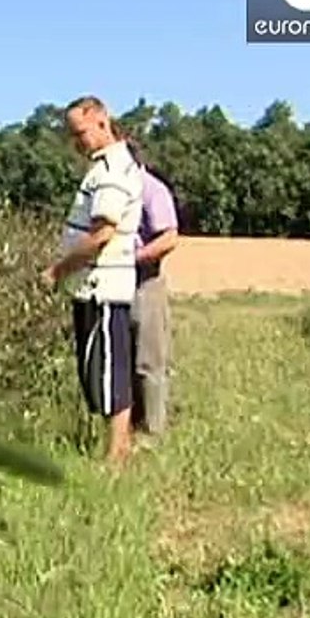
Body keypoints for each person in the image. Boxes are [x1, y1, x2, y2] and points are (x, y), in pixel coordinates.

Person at [44, 96, 144, 466]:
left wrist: (59, 270)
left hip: (103, 286)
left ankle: (117, 454)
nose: (77, 142)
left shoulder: (113, 169)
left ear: (102, 120)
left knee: (109, 372)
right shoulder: (102, 167)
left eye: (80, 132)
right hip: (92, 287)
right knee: (98, 370)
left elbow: (103, 233)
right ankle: (118, 448)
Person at [126, 140, 180, 444]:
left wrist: (132, 258)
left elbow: (169, 238)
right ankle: (128, 428)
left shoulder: (151, 189)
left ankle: (152, 433)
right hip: (116, 281)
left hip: (146, 281)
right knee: (123, 357)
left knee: (149, 360)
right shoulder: (113, 191)